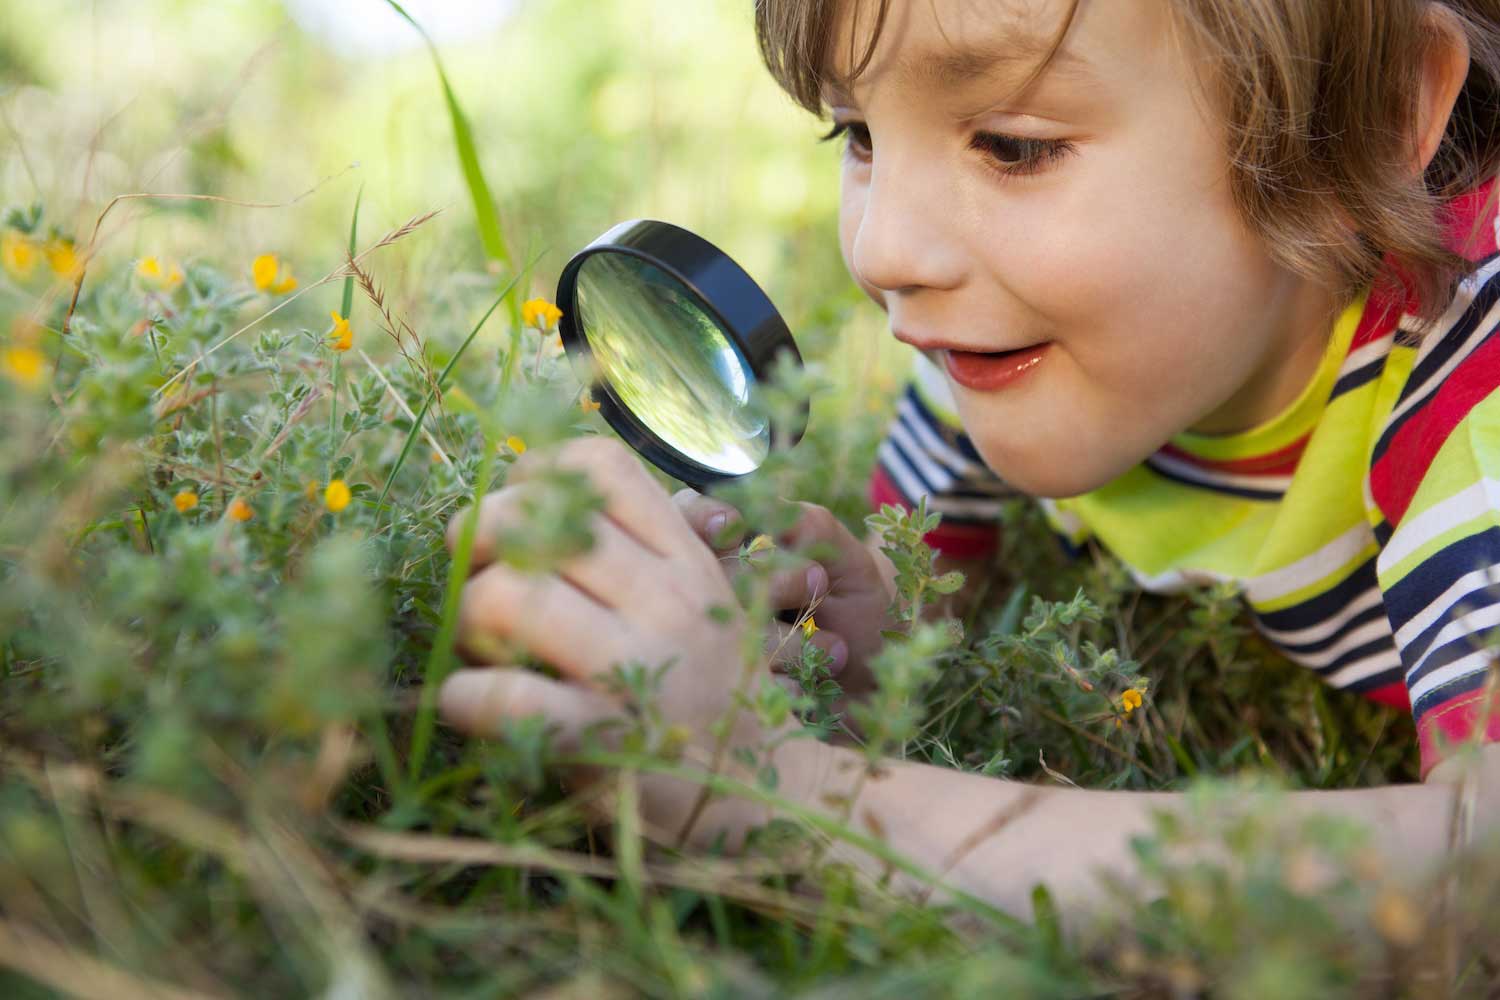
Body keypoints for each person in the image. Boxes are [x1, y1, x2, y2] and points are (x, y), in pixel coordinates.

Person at [439, 0, 1500, 918]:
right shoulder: (997, 347)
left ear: (1373, 114)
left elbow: (1473, 879)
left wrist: (783, 796)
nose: (884, 251)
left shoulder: (1471, 392)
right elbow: (928, 609)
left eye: (1013, 144)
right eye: (857, 134)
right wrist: (873, 650)